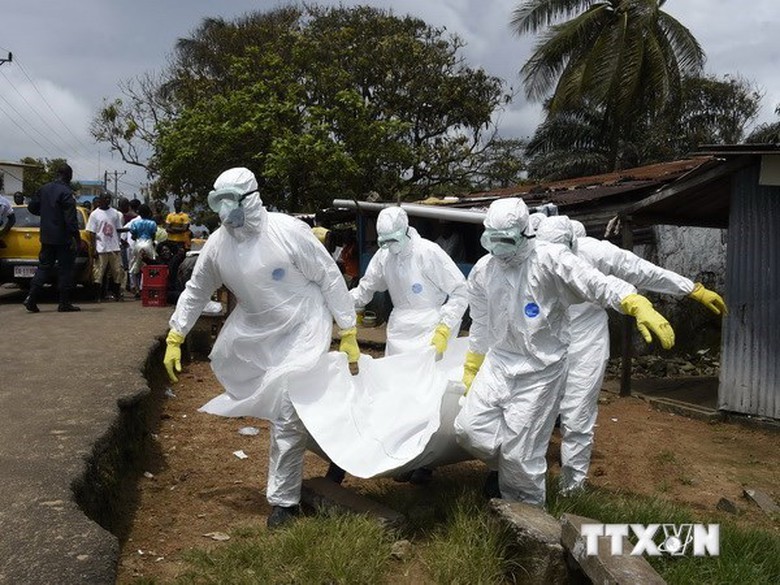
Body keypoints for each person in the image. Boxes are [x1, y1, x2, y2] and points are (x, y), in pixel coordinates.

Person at [162, 167, 360, 529]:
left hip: (304, 323)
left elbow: (329, 277)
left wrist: (347, 328)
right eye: (218, 203)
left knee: (286, 408)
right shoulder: (219, 245)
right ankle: (339, 449)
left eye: (231, 202)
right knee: (293, 407)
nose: (225, 212)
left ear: (250, 198)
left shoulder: (288, 232)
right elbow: (196, 290)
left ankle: (284, 503)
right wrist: (176, 335)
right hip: (258, 331)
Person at [453, 197, 675, 507]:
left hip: (540, 370)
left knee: (521, 455)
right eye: (492, 239)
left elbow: (595, 282)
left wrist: (633, 301)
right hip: (499, 363)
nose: (498, 248)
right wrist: (474, 360)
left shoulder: (550, 260)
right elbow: (480, 320)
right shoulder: (483, 271)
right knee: (468, 431)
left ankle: (529, 521)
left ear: (525, 234)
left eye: (506, 240)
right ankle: (502, 471)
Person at [535, 215, 727, 494]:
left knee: (578, 414)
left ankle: (572, 489)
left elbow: (639, 269)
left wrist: (690, 288)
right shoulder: (534, 255)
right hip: (547, 337)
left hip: (585, 340)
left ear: (574, 243)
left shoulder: (593, 252)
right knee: (534, 407)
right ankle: (525, 480)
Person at [350, 207, 468, 357]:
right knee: (396, 375)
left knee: (426, 377)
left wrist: (445, 326)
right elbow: (366, 288)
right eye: (385, 241)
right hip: (398, 330)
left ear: (405, 230)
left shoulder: (427, 252)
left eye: (394, 239)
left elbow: (460, 290)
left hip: (429, 328)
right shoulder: (384, 256)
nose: (390, 245)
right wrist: (340, 302)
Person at [23, 164, 81, 312]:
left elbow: (31, 207)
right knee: (65, 269)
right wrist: (76, 237)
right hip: (63, 238)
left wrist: (47, 214)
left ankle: (31, 297)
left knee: (44, 267)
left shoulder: (44, 189)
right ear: (68, 176)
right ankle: (64, 303)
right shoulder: (67, 192)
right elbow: (70, 219)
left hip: (46, 236)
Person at [86, 195, 127, 301]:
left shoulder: (115, 213)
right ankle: (97, 296)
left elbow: (118, 229)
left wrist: (128, 231)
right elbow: (92, 233)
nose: (108, 200)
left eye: (109, 198)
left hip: (114, 247)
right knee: (98, 272)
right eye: (105, 198)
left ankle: (117, 294)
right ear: (101, 200)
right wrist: (93, 248)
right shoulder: (94, 214)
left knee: (117, 271)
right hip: (101, 247)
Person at [128, 204, 158, 297]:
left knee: (134, 266)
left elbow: (133, 236)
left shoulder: (135, 223)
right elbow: (153, 236)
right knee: (148, 266)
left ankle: (136, 288)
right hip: (148, 244)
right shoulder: (152, 223)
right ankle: (144, 288)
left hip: (138, 243)